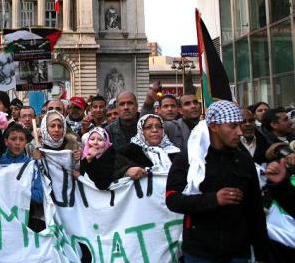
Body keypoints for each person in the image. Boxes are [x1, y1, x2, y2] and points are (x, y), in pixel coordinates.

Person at [166, 100, 269, 262]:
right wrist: (214, 199)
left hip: (238, 251)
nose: (240, 132)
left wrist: (262, 253)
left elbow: (254, 209)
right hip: (200, 251)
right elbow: (173, 199)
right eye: (233, 127)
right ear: (214, 127)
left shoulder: (243, 159)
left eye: (240, 126)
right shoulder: (190, 159)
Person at [114, 114, 180, 180]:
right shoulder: (128, 152)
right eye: (148, 127)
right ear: (141, 131)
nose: (155, 130)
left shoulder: (175, 152)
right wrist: (126, 171)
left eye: (159, 127)